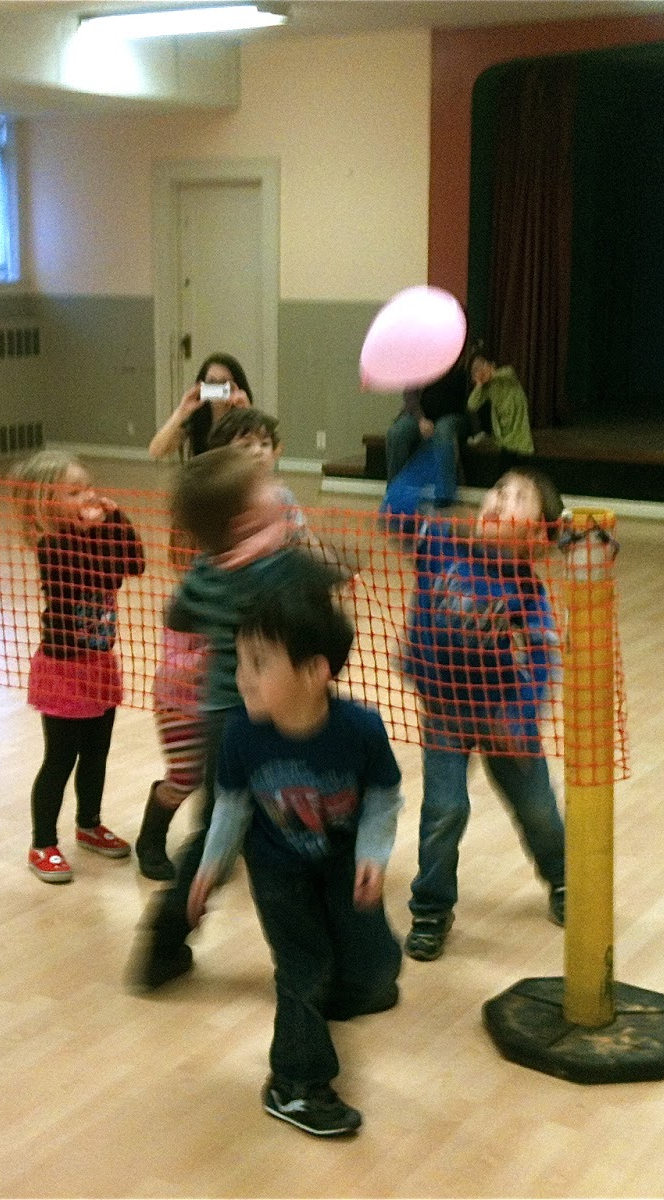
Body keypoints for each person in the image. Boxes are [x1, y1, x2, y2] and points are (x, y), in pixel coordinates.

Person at [187, 584, 402, 1138]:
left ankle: (330, 998)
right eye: (241, 662)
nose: (243, 677)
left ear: (314, 672)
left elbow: (382, 796)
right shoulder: (242, 734)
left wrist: (374, 856)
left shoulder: (360, 729)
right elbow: (231, 809)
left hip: (340, 862)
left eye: (260, 664)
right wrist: (210, 868)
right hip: (277, 868)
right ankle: (294, 1084)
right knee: (303, 968)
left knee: (376, 968)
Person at [129, 448, 341, 990]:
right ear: (247, 520)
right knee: (306, 831)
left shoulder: (203, 568)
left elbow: (180, 613)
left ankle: (160, 947)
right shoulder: (288, 569)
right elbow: (331, 592)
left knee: (214, 836)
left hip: (218, 720)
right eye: (266, 485)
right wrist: (283, 548)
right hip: (274, 724)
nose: (277, 488)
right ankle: (319, 958)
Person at [383, 464, 568, 962]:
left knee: (538, 812)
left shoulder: (528, 592)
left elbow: (545, 657)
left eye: (517, 499)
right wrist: (427, 467)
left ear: (536, 536)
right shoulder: (439, 544)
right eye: (497, 490)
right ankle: (431, 908)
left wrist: (523, 717)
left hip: (505, 718)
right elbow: (394, 511)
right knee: (445, 810)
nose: (499, 500)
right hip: (444, 710)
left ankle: (565, 879)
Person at [137, 408, 327, 882]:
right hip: (190, 697)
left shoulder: (243, 551)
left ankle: (232, 846)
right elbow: (182, 608)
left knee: (248, 786)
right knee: (188, 782)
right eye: (244, 447)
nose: (258, 455)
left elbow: (308, 556)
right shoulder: (219, 574)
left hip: (245, 699)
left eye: (263, 444)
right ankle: (157, 841)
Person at [14, 450, 146, 883]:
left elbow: (134, 564)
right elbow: (84, 570)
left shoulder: (96, 533)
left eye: (89, 487)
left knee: (97, 753)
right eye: (74, 491)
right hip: (64, 671)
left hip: (99, 664)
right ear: (44, 503)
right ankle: (42, 843)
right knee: (60, 759)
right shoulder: (51, 546)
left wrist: (116, 519)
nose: (89, 495)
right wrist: (93, 531)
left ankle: (89, 824)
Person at [383, 355, 470, 507]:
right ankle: (395, 493)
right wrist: (421, 419)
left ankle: (444, 496)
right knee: (397, 432)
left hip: (454, 416)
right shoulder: (421, 358)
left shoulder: (466, 361)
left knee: (443, 431)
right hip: (421, 415)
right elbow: (410, 396)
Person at [147, 352, 253, 460]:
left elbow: (257, 455)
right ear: (202, 384)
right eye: (211, 381)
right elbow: (156, 451)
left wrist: (247, 414)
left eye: (224, 383)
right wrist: (181, 411)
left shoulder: (243, 414)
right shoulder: (198, 418)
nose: (217, 387)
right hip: (203, 475)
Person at [466, 346, 534, 456]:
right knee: (505, 455)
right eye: (475, 369)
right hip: (502, 426)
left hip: (517, 421)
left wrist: (490, 374)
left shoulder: (506, 373)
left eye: (482, 365)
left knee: (521, 451)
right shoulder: (486, 387)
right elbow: (472, 404)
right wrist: (479, 385)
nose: (479, 370)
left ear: (491, 364)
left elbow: (508, 373)